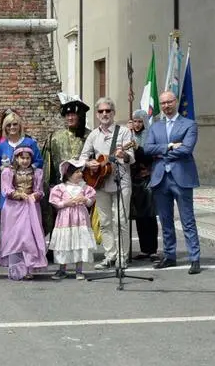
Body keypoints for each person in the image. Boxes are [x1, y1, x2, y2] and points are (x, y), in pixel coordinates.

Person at [144, 90, 201, 275]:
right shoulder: (155, 127)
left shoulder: (189, 124)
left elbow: (186, 149)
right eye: (163, 103)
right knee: (166, 220)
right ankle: (169, 255)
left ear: (175, 102)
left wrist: (160, 152)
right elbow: (147, 149)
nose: (166, 106)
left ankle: (194, 258)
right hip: (161, 179)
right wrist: (168, 147)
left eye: (169, 102)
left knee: (187, 220)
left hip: (181, 177)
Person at [79, 97, 135, 270]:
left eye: (108, 111)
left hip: (120, 181)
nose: (104, 114)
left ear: (113, 113)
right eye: (101, 111)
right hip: (100, 182)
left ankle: (122, 257)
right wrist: (89, 164)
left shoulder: (124, 132)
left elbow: (130, 157)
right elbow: (82, 157)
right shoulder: (93, 135)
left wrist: (123, 155)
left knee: (121, 220)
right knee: (104, 222)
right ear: (97, 114)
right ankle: (109, 255)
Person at [43, 94, 90, 261]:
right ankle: (55, 249)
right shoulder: (55, 137)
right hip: (60, 187)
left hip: (82, 186)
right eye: (67, 115)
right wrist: (48, 184)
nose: (70, 117)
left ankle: (78, 252)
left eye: (73, 114)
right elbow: (48, 163)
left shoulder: (88, 136)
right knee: (58, 221)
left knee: (79, 220)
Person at [0, 147, 47, 280]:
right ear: (17, 158)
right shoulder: (9, 172)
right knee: (15, 238)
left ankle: (29, 267)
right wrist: (19, 194)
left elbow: (40, 191)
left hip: (30, 206)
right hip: (14, 208)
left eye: (27, 158)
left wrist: (34, 196)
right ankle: (16, 270)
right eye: (22, 158)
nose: (25, 161)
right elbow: (6, 190)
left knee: (29, 237)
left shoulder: (37, 172)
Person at [48, 159, 97, 281]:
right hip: (65, 220)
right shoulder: (60, 187)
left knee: (79, 242)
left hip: (80, 219)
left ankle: (79, 270)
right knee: (64, 242)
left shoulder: (85, 188)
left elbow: (91, 200)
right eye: (76, 172)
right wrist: (66, 203)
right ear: (68, 174)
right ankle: (62, 269)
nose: (80, 174)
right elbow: (54, 201)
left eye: (80, 171)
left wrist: (85, 200)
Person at [129, 109, 158, 261]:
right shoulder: (129, 135)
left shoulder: (149, 136)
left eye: (140, 121)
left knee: (150, 215)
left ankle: (152, 249)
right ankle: (144, 249)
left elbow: (148, 154)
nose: (137, 124)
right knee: (139, 216)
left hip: (147, 179)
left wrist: (137, 148)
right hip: (134, 180)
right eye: (135, 121)